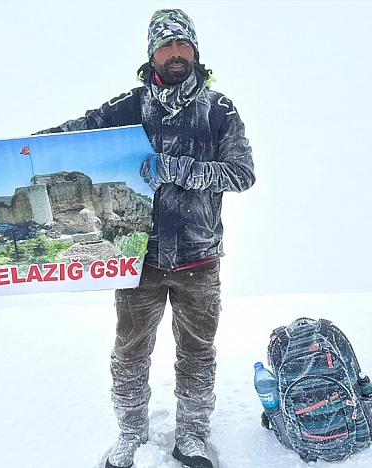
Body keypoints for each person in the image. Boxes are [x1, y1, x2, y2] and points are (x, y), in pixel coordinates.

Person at [36, 9, 255, 468]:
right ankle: (131, 435)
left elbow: (242, 174)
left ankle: (193, 435)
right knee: (129, 353)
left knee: (197, 353)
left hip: (200, 259)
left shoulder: (219, 110)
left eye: (184, 45)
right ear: (152, 54)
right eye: (166, 45)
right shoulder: (129, 108)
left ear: (195, 51)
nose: (177, 53)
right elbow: (70, 135)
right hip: (139, 260)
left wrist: (179, 170)